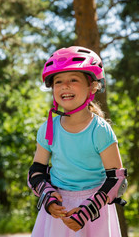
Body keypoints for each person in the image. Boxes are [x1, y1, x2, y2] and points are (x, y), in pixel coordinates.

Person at [27, 46, 127, 237]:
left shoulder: (100, 130)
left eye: (73, 80)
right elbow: (36, 172)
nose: (65, 86)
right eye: (58, 81)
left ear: (92, 86)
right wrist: (48, 197)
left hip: (94, 212)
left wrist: (87, 211)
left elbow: (117, 180)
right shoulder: (48, 128)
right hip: (58, 211)